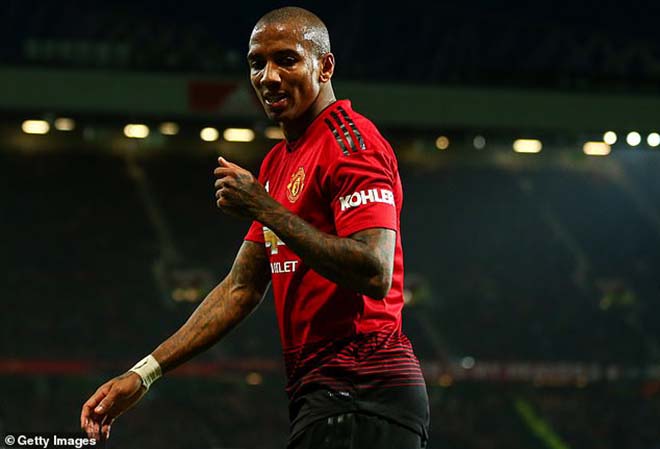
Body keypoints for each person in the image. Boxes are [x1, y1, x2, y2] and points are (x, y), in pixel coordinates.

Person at [80, 6, 429, 448]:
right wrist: (144, 374)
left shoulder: (351, 144)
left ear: (325, 67)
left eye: (286, 60)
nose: (268, 77)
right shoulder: (278, 162)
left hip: (364, 391)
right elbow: (240, 288)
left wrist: (264, 207)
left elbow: (374, 270)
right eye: (256, 63)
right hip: (323, 395)